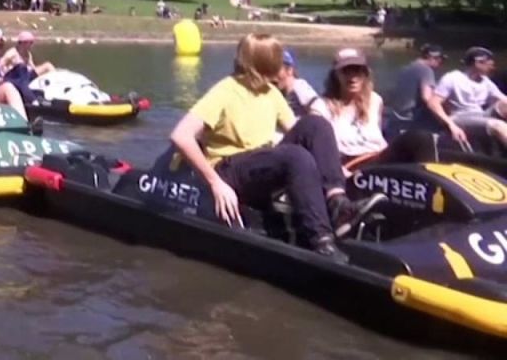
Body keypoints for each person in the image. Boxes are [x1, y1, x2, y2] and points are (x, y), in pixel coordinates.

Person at [167, 34, 383, 263]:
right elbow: (181, 136)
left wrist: (336, 169)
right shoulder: (225, 91)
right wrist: (215, 183)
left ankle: (338, 204)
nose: (283, 66)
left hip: (260, 163)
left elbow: (303, 133)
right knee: (294, 156)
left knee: (316, 124)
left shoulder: (270, 93)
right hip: (229, 169)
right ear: (264, 63)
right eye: (278, 60)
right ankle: (321, 240)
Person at [431, 47, 507, 150]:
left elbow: (503, 100)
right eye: (489, 64)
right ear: (478, 62)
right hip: (459, 117)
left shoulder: (486, 82)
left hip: (480, 115)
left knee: (504, 105)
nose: (492, 67)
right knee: (498, 125)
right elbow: (433, 103)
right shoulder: (453, 78)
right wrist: (451, 125)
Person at [382, 44, 450, 140]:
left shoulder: (404, 69)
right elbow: (427, 98)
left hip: (397, 116)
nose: (441, 63)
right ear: (433, 57)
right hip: (412, 118)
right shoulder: (426, 70)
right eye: (441, 59)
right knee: (443, 118)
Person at [275, 49, 328, 119]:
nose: (272, 75)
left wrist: (308, 125)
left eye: (276, 69)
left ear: (290, 70)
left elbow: (319, 106)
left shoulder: (299, 86)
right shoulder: (278, 92)